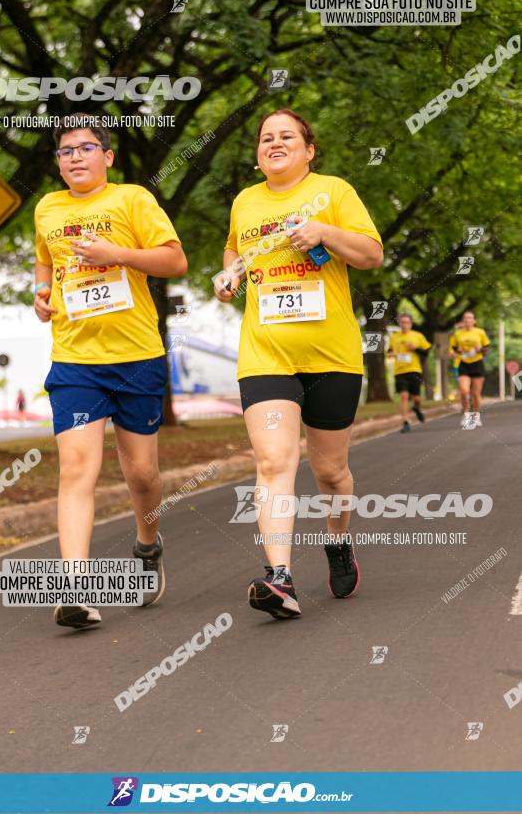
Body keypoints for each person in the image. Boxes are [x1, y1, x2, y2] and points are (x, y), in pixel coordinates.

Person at [214, 109, 383, 620]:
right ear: (258, 153)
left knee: (331, 472)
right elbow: (233, 252)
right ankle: (280, 578)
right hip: (266, 353)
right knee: (273, 462)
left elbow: (372, 254)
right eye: (266, 138)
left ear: (309, 150)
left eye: (287, 136)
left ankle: (337, 541)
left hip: (331, 353)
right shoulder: (245, 201)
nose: (275, 143)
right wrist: (228, 278)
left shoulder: (334, 191)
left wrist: (323, 233)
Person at [34, 113, 187, 630]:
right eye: (65, 151)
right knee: (77, 469)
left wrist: (114, 253)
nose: (75, 156)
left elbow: (175, 261)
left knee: (141, 474)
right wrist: (42, 293)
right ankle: (75, 586)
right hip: (76, 360)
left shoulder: (132, 200)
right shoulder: (48, 209)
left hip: (136, 357)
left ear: (108, 157)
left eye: (86, 147)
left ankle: (148, 544)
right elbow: (46, 263)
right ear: (58, 162)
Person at [387, 313, 431, 433]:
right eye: (402, 322)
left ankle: (416, 408)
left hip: (414, 370)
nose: (404, 324)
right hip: (400, 371)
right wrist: (391, 354)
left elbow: (426, 353)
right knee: (404, 396)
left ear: (411, 324)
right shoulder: (394, 337)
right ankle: (406, 422)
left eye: (406, 322)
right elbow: (389, 351)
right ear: (399, 324)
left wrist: (415, 349)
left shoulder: (418, 336)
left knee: (416, 398)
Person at [449, 310, 490, 427]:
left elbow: (486, 349)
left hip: (477, 363)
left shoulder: (480, 332)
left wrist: (480, 349)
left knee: (476, 394)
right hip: (464, 363)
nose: (468, 320)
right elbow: (453, 349)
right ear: (463, 321)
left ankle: (476, 417)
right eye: (465, 318)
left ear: (474, 321)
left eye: (470, 318)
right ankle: (466, 415)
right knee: (464, 391)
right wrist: (458, 351)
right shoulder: (457, 333)